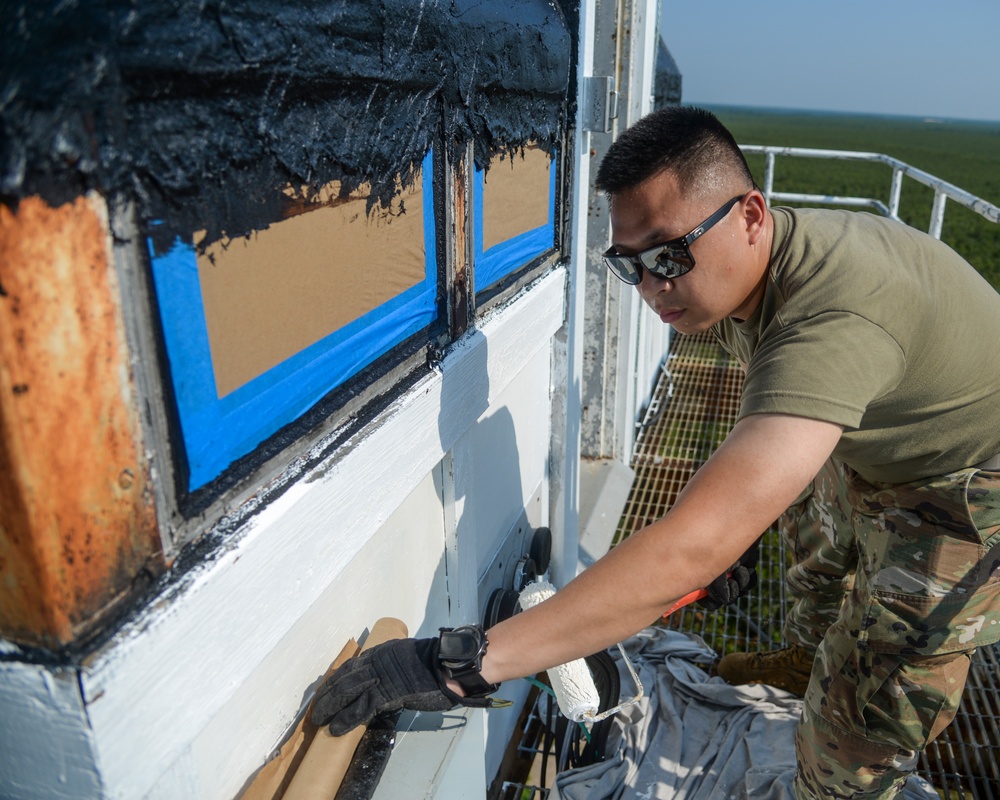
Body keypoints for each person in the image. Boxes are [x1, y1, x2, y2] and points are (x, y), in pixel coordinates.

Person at [310, 106, 1000, 799]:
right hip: (893, 433)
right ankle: (808, 658)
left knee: (863, 727)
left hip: (969, 489)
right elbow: (764, 418)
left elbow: (689, 551)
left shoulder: (832, 318)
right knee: (810, 546)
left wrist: (459, 664)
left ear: (751, 216)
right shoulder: (753, 275)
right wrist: (735, 524)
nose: (650, 290)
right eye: (628, 266)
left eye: (668, 256)